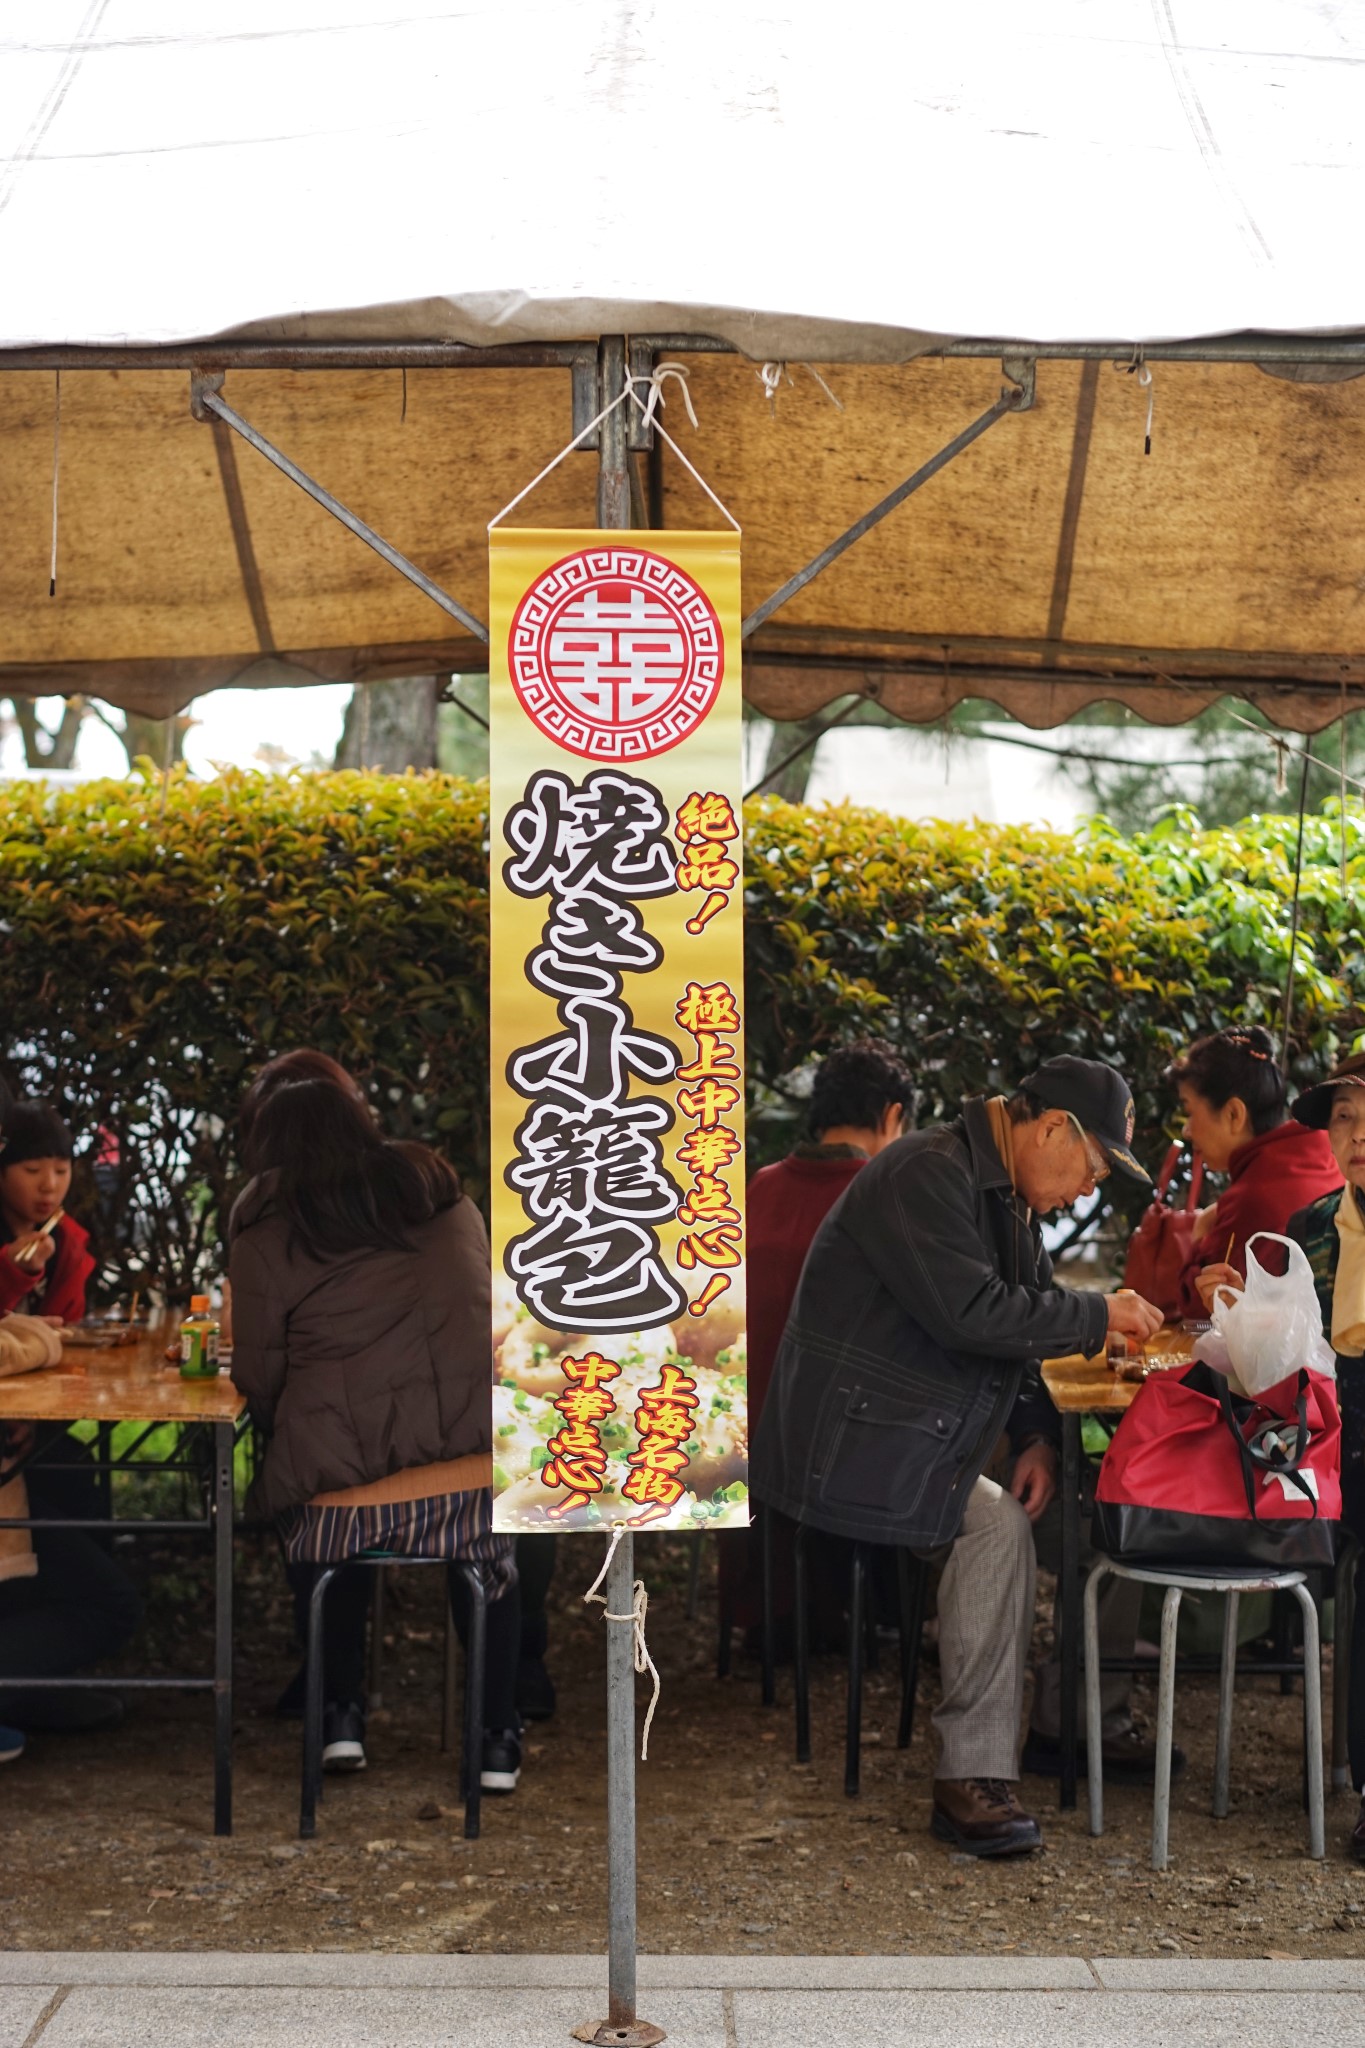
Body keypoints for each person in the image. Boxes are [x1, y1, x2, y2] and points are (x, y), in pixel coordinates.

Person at [753, 1054, 1161, 1857]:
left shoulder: (997, 1190)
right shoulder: (927, 1171)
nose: (1088, 1191)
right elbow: (973, 1315)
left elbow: (1022, 1320)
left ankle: (1063, 1723)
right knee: (997, 1529)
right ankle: (969, 1778)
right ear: (1050, 1129)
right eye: (1092, 1169)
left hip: (915, 1425)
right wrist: (1099, 1312)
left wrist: (1039, 1437)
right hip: (848, 1438)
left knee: (1087, 1507)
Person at [229, 1077, 522, 1790]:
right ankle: (496, 1739)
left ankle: (338, 1716)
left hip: (337, 1509)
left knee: (320, 1489)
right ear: (363, 1126)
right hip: (466, 1483)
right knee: (489, 1569)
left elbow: (259, 1378)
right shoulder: (448, 1203)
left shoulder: (267, 1227)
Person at [1198, 1049, 1365, 1859]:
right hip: (1325, 1444)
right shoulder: (1310, 1229)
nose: (1357, 1136)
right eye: (1344, 1118)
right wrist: (1238, 1321)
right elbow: (1280, 1372)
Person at [719, 1039, 915, 1648]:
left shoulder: (759, 1187)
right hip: (840, 1454)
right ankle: (892, 1615)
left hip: (741, 1448)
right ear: (890, 1116)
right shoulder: (885, 1197)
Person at [1166, 1027, 1340, 1319]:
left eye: (1190, 1111)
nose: (1187, 1129)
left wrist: (1199, 1234)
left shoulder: (1253, 1197)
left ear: (1234, 1114)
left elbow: (1201, 1307)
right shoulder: (1324, 1154)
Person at [0, 1102, 95, 1322]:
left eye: (61, 1170)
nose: (50, 1185)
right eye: (32, 1170)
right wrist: (10, 1269)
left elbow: (67, 1324)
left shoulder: (67, 1241)